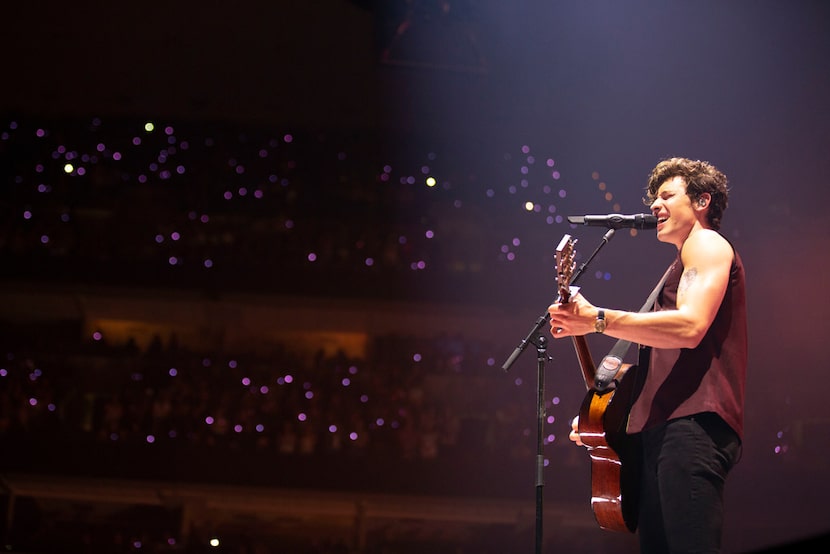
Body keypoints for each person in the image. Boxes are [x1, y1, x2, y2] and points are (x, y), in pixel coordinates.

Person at [547, 157, 747, 553]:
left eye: (667, 196)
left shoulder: (706, 244)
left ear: (702, 201)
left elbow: (690, 328)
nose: (655, 205)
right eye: (654, 198)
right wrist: (604, 418)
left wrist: (598, 319)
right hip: (667, 430)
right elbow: (660, 364)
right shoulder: (679, 266)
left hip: (691, 425)